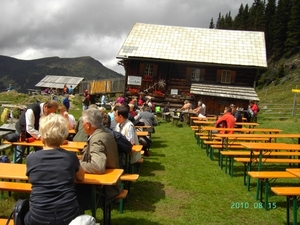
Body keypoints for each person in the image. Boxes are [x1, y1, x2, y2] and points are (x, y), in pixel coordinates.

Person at [24, 113, 85, 225]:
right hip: (67, 214)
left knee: (23, 212)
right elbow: (81, 177)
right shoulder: (71, 157)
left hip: (38, 216)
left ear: (42, 135)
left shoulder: (31, 158)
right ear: (63, 135)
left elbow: (31, 179)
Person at [78, 108, 121, 207]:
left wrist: (76, 164)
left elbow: (98, 167)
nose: (82, 125)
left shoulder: (97, 139)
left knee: (67, 195)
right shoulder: (104, 133)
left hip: (103, 191)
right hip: (109, 186)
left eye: (82, 122)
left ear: (88, 125)